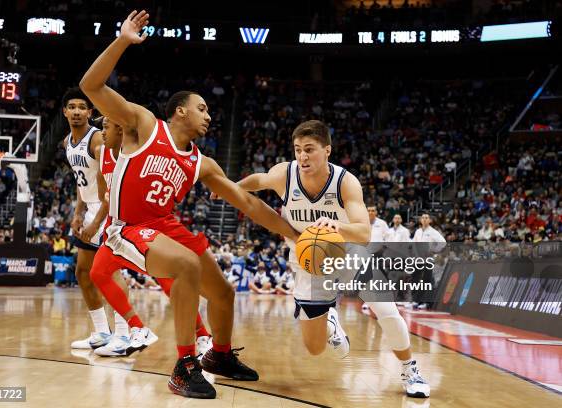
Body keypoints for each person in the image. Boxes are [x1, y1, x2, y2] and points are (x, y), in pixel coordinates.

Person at [79, 10, 298, 399]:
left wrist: (294, 235)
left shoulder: (202, 163)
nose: (209, 116)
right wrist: (123, 41)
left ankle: (220, 355)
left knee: (224, 293)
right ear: (180, 110)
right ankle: (184, 366)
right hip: (126, 227)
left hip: (165, 226)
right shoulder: (143, 124)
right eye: (203, 109)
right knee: (185, 264)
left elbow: (248, 202)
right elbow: (91, 84)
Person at [233, 120, 430, 398]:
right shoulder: (285, 174)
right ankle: (331, 321)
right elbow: (260, 179)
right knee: (314, 348)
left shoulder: (345, 182)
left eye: (309, 150)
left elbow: (363, 232)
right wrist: (231, 187)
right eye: (298, 149)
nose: (302, 156)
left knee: (386, 309)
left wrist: (338, 227)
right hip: (308, 261)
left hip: (348, 252)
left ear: (327, 150)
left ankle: (410, 369)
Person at [93, 116, 212, 358]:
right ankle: (137, 328)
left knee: (168, 281)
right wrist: (98, 218)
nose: (102, 132)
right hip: (117, 229)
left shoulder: (139, 152)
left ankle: (202, 337)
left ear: (120, 127)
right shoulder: (102, 153)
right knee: (97, 272)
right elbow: (103, 191)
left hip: (143, 227)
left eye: (106, 126)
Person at [62, 88, 128, 350]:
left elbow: (108, 187)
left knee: (109, 272)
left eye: (82, 107)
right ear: (65, 112)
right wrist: (78, 213)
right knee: (82, 272)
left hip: (107, 209)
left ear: (91, 112)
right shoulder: (68, 142)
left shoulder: (97, 141)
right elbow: (82, 182)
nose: (77, 111)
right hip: (90, 208)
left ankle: (124, 333)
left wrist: (94, 221)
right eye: (72, 107)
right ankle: (102, 332)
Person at [411, 213, 446, 310]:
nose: (425, 219)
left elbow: (443, 243)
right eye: (423, 218)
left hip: (428, 260)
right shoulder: (418, 231)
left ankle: (425, 302)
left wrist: (434, 251)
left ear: (430, 220)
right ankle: (416, 300)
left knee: (427, 281)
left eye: (427, 218)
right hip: (418, 259)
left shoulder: (433, 232)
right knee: (416, 280)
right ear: (420, 220)